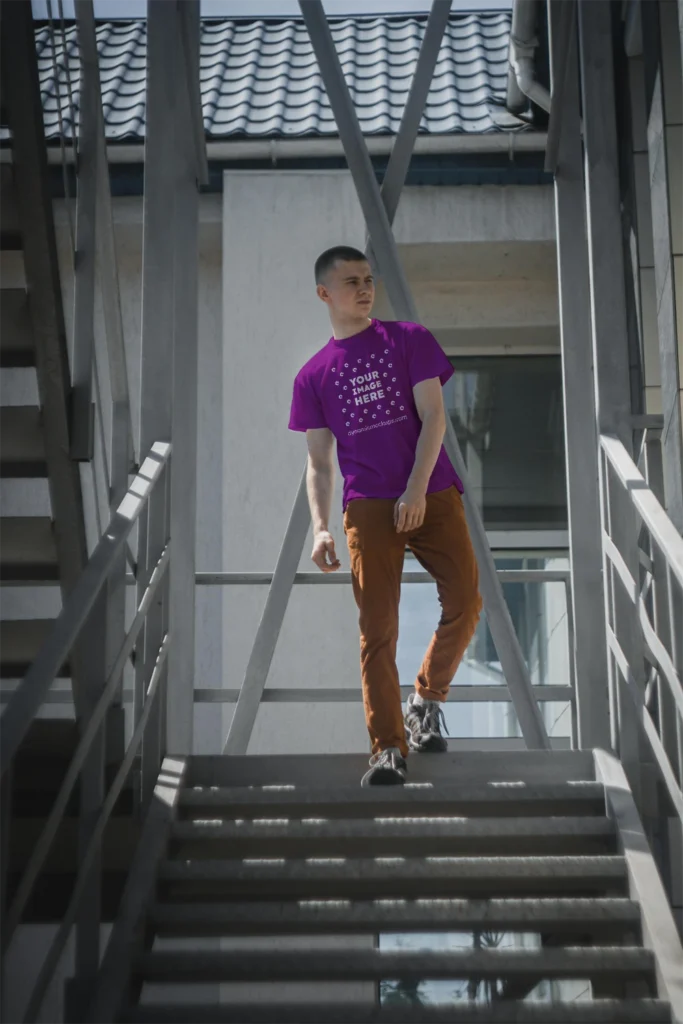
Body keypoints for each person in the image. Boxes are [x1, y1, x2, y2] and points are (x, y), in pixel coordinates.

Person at [288, 245, 482, 787]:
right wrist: (321, 526)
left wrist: (417, 489)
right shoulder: (313, 376)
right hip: (368, 506)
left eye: (368, 278)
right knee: (378, 630)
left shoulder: (409, 340)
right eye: (351, 281)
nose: (365, 288)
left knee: (466, 600)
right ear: (325, 293)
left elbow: (434, 418)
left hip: (432, 490)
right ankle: (388, 749)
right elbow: (319, 462)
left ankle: (425, 698)